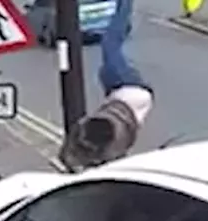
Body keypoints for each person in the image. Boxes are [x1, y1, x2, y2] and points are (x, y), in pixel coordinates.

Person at [58, 0, 154, 170]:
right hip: (128, 89)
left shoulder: (111, 148)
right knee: (110, 44)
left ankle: (123, 25)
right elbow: (66, 154)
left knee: (104, 71)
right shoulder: (90, 129)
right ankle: (124, 6)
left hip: (131, 98)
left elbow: (67, 156)